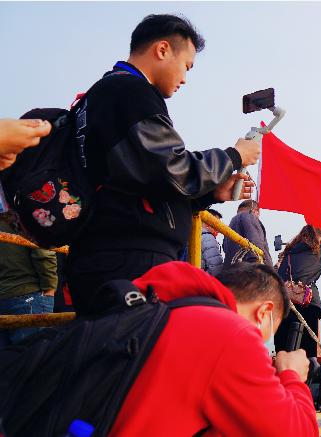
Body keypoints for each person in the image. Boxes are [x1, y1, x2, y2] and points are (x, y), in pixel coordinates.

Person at [64, 14, 261, 315]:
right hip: (129, 259)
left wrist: (211, 193)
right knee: (137, 355)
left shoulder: (97, 98)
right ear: (162, 50)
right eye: (186, 66)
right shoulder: (131, 92)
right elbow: (172, 167)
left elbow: (147, 182)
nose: (184, 78)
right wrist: (235, 155)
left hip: (101, 253)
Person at [110, 261, 318, 436]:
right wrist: (292, 375)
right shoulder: (231, 334)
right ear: (264, 312)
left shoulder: (164, 309)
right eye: (269, 332)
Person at [274, 225, 321, 358]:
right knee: (309, 356)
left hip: (283, 305)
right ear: (320, 240)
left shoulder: (288, 252)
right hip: (307, 304)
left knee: (283, 354)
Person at [0, 212, 57, 346]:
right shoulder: (18, 209)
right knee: (38, 359)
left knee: (9, 364)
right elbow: (42, 247)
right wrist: (50, 289)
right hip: (28, 296)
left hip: (14, 295)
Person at [223, 199, 273, 267]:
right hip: (251, 269)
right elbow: (255, 243)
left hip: (232, 268)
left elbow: (225, 248)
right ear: (255, 211)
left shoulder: (230, 225)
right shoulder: (249, 216)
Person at [200, 208, 224, 276]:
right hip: (201, 282)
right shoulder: (208, 237)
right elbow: (216, 269)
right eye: (217, 224)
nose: (219, 230)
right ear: (207, 223)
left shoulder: (188, 236)